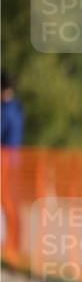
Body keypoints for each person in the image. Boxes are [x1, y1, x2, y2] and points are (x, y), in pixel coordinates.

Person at [1, 71, 24, 253]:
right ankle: (15, 241)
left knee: (7, 199)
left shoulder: (5, 110)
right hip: (15, 159)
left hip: (4, 160)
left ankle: (13, 242)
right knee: (11, 199)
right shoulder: (18, 107)